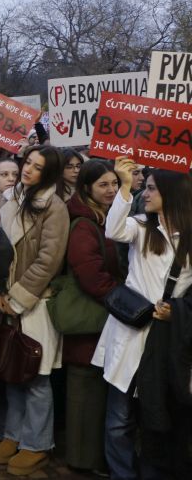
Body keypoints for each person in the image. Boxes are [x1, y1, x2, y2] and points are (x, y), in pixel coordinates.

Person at [93, 159, 192, 479]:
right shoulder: (140, 225)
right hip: (131, 332)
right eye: (145, 187)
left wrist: (177, 310)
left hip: (168, 340)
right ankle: (122, 474)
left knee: (159, 416)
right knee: (119, 418)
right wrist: (123, 186)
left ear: (172, 193)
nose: (145, 193)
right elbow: (114, 230)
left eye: (151, 188)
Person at [0, 146, 70, 476]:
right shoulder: (12, 199)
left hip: (36, 301)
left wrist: (18, 297)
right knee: (13, 370)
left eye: (37, 167)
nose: (28, 170)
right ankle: (14, 434)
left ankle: (37, 444)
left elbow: (48, 260)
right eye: (27, 163)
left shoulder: (55, 207)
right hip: (6, 297)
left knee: (36, 376)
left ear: (48, 174)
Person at [62, 159, 121, 475]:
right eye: (104, 185)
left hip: (103, 319)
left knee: (96, 393)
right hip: (90, 321)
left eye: (114, 183)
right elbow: (91, 276)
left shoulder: (107, 216)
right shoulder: (84, 223)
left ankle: (92, 456)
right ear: (87, 188)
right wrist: (125, 300)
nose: (111, 190)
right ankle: (82, 459)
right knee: (85, 392)